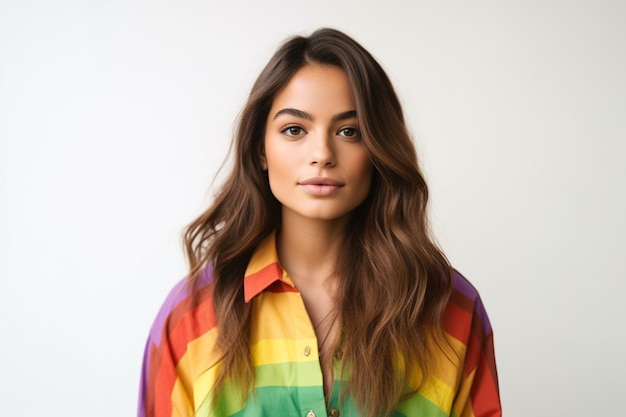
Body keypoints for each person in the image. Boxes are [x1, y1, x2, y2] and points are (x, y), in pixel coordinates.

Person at [138, 28, 501, 417]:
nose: (322, 154)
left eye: (350, 131)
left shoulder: (451, 310)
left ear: (379, 149)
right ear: (260, 150)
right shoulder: (190, 318)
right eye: (294, 130)